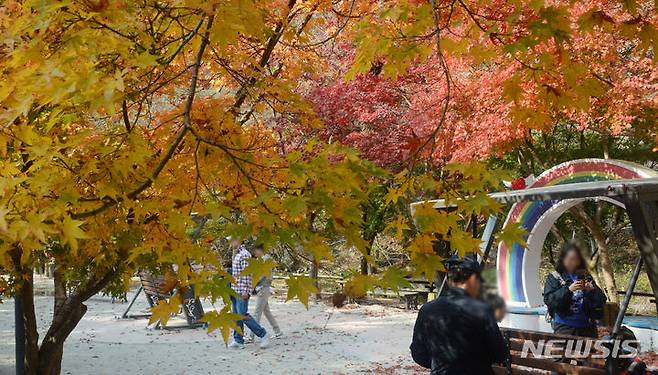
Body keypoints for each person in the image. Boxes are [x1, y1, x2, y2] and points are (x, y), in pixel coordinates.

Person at [410, 256, 508, 374]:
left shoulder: (427, 309)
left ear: (447, 280)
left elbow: (418, 353)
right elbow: (500, 354)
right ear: (472, 279)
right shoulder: (481, 310)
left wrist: (442, 364)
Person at [543, 242, 607, 337]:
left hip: (587, 327)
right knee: (566, 351)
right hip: (564, 327)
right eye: (570, 259)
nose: (573, 262)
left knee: (588, 352)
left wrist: (592, 290)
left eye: (576, 259)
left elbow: (601, 300)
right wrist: (569, 290)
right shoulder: (555, 277)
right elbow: (550, 300)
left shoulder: (586, 276)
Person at [228, 240, 270, 349]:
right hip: (235, 290)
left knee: (243, 315)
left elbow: (247, 275)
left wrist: (247, 291)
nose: (230, 243)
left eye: (231, 241)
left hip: (242, 291)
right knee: (237, 315)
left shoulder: (245, 254)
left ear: (237, 240)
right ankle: (238, 339)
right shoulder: (238, 254)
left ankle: (263, 334)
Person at [247, 245, 282, 342]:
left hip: (263, 287)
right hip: (263, 288)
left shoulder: (265, 260)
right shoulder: (263, 259)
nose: (254, 253)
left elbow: (262, 275)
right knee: (266, 312)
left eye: (255, 250)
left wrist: (253, 284)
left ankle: (251, 336)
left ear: (259, 249)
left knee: (257, 313)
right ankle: (278, 331)